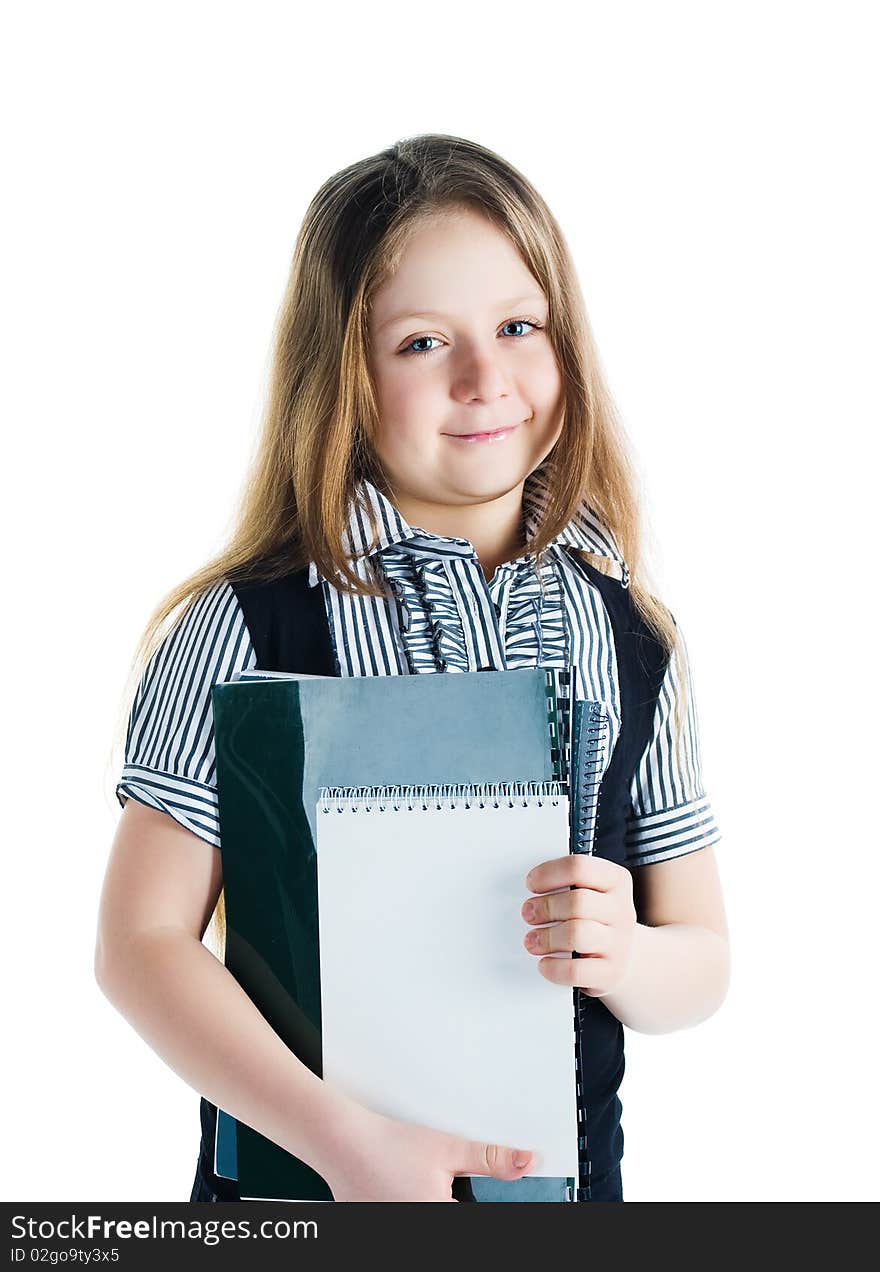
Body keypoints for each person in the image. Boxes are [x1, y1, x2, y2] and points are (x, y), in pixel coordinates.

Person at [96, 133, 730, 1204]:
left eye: (519, 327)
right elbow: (140, 945)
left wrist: (625, 955)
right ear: (339, 374)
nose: (486, 378)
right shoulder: (243, 626)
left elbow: (701, 962)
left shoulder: (633, 636)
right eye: (425, 343)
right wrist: (345, 1146)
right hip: (303, 1196)